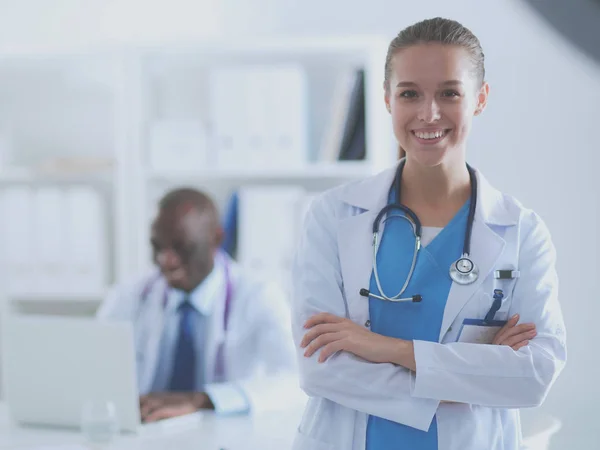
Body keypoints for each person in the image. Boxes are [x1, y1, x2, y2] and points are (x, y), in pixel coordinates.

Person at [291, 17, 566, 450]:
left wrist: (386, 348)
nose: (428, 113)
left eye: (449, 93)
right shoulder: (334, 216)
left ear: (480, 99)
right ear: (386, 99)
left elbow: (533, 375)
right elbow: (320, 367)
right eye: (409, 94)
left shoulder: (521, 232)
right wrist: (474, 375)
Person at [97, 187, 300, 422]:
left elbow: (295, 381)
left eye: (182, 247)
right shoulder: (130, 295)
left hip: (221, 435)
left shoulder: (258, 296)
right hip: (145, 431)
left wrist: (202, 400)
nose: (166, 261)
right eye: (157, 247)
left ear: (216, 239)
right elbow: (91, 366)